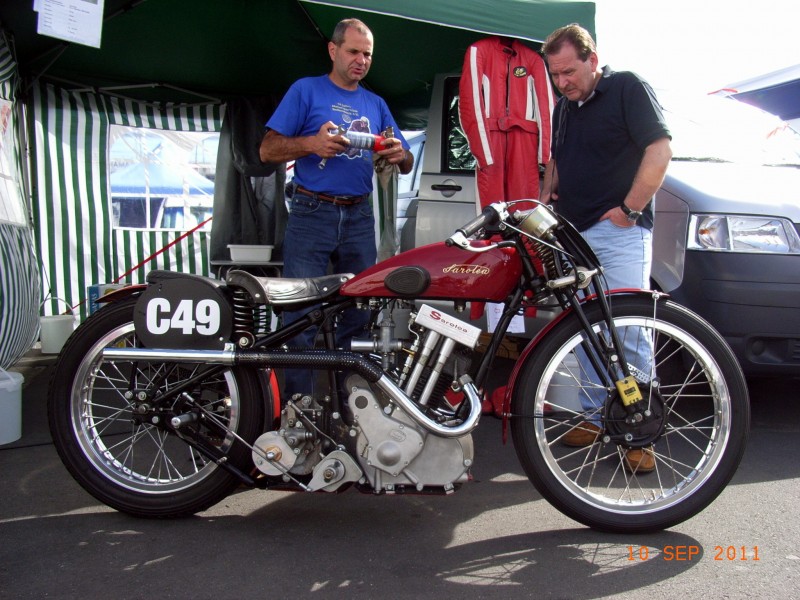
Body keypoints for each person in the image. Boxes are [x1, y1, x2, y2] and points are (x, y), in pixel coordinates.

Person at [539, 24, 672, 473]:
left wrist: (630, 210)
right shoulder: (563, 107)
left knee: (629, 332)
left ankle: (640, 430)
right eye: (555, 75)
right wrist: (542, 206)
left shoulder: (627, 87)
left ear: (593, 60)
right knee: (584, 332)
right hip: (570, 233)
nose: (562, 82)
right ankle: (598, 417)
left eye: (569, 72)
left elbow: (660, 148)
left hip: (618, 232)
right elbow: (555, 162)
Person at [259, 18, 414, 398]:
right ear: (333, 50)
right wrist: (311, 144)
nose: (361, 60)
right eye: (354, 52)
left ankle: (351, 405)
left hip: (359, 215)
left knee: (360, 313)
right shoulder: (306, 90)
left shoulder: (376, 103)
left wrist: (399, 154)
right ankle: (299, 407)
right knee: (300, 313)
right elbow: (266, 150)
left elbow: (407, 159)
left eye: (368, 54)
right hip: (313, 211)